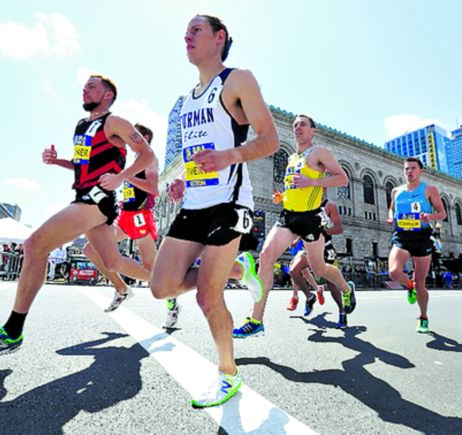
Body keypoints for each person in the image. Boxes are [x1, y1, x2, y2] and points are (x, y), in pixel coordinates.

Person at [0, 74, 155, 358]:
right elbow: (82, 164)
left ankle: (12, 331)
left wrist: (120, 178)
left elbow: (147, 155)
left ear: (108, 95)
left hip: (97, 199)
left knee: (34, 245)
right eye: (84, 87)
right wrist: (57, 161)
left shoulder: (115, 122)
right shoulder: (82, 126)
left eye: (92, 87)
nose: (85, 91)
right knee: (112, 261)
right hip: (85, 196)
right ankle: (161, 280)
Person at [150, 15, 279, 408]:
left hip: (230, 202)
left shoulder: (237, 80)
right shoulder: (189, 99)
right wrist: (183, 180)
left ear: (219, 37)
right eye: (185, 32)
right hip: (194, 203)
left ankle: (228, 374)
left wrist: (229, 156)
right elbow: (197, 155)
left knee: (208, 295)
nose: (186, 36)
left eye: (196, 31)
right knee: (161, 287)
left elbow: (270, 140)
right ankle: (240, 271)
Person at [233, 114, 356, 339]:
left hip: (310, 218)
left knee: (319, 269)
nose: (297, 128)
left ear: (312, 131)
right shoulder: (292, 158)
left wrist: (313, 181)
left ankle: (347, 289)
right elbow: (295, 187)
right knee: (266, 257)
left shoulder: (318, 152)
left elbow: (342, 179)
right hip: (288, 216)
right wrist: (282, 196)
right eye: (295, 125)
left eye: (302, 125)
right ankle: (256, 320)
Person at [82, 123, 159, 309]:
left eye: (133, 135)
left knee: (152, 272)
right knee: (90, 249)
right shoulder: (131, 160)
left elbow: (153, 189)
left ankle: (170, 293)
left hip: (140, 215)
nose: (128, 137)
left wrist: (124, 176)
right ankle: (121, 288)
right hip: (124, 215)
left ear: (144, 139)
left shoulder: (149, 158)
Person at [387, 157, 446, 333]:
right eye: (406, 169)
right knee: (394, 273)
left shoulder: (429, 189)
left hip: (422, 238)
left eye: (413, 168)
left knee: (421, 284)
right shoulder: (396, 191)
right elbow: (392, 208)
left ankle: (423, 317)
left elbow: (442, 213)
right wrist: (390, 217)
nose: (409, 171)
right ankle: (409, 285)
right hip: (402, 237)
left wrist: (430, 217)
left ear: (421, 171)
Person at [287, 198, 348, 327]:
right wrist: (296, 240)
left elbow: (339, 228)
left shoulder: (329, 205)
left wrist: (322, 232)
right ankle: (310, 297)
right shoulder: (307, 206)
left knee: (331, 284)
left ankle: (342, 311)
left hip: (326, 247)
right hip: (309, 247)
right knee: (293, 270)